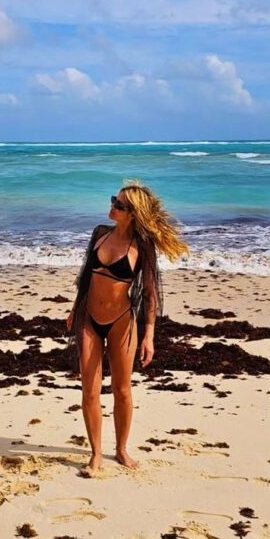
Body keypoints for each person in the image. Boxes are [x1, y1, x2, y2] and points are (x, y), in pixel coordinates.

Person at [66, 182, 189, 475]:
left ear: (133, 213)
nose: (113, 206)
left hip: (123, 321)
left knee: (122, 390)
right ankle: (96, 453)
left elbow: (150, 293)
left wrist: (149, 336)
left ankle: (121, 449)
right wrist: (74, 308)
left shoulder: (142, 246)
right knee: (90, 391)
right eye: (114, 200)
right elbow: (85, 277)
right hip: (89, 319)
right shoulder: (100, 233)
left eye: (120, 205)